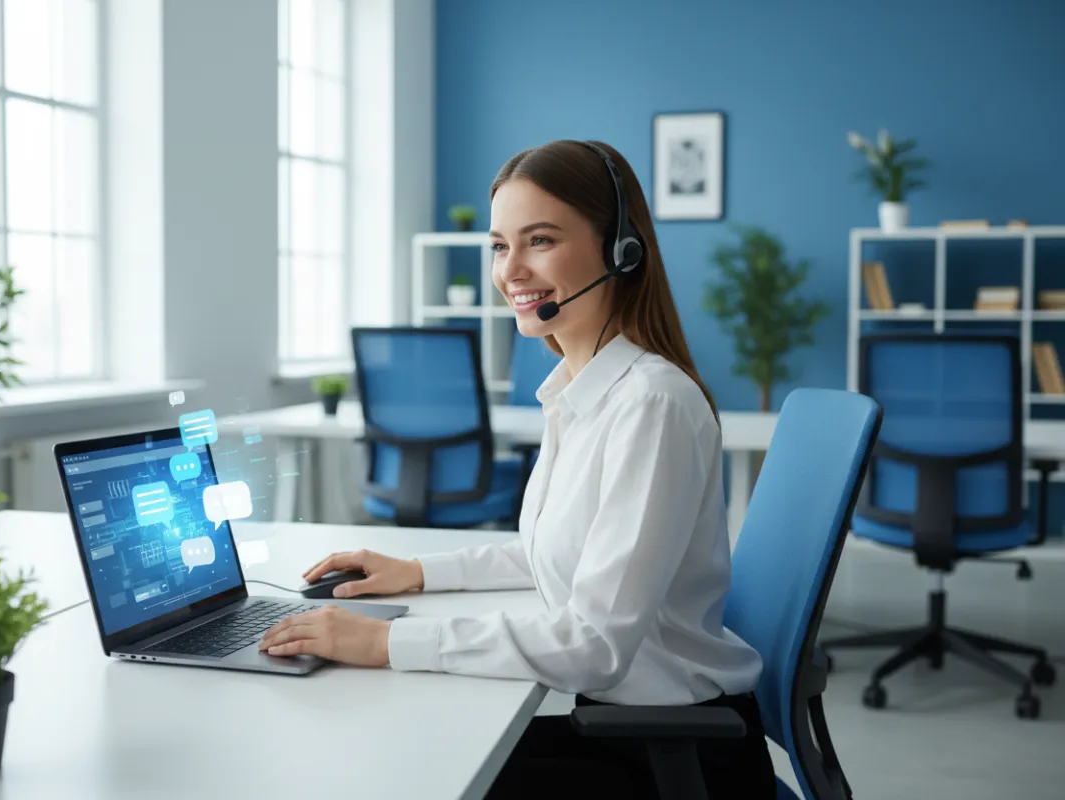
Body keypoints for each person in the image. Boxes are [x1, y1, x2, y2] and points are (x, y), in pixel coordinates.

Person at [258, 139, 777, 799]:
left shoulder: (652, 405)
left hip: (674, 758)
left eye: (540, 240)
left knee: (386, 765)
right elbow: (549, 554)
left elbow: (592, 642)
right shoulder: (579, 389)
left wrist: (386, 645)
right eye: (500, 246)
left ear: (621, 251)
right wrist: (417, 573)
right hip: (628, 728)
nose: (511, 272)